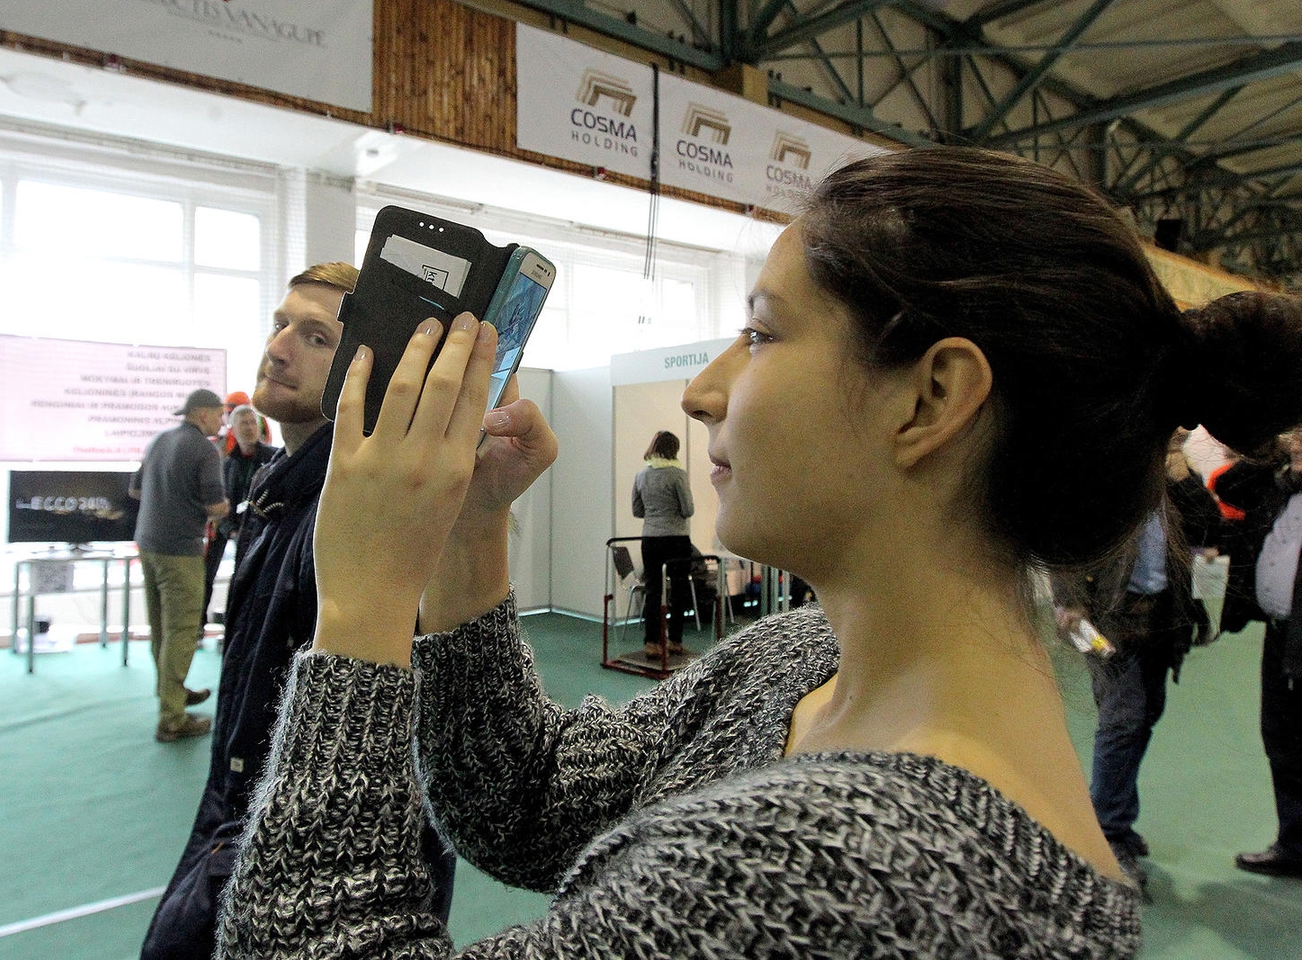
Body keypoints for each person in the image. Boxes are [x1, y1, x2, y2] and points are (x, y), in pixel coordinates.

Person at [217, 149, 1302, 958]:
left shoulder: (848, 872)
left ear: (932, 398)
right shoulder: (803, 660)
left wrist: (359, 612)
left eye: (766, 333)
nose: (705, 390)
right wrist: (468, 533)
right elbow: (528, 801)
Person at [140, 263, 455, 960]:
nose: (278, 347)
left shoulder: (352, 516)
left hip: (299, 877)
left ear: (372, 374)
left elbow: (379, 768)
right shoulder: (282, 499)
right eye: (280, 324)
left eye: (316, 337)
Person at [1054, 428, 1221, 892]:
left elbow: (1210, 529)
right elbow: (1065, 535)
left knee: (1144, 715)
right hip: (1104, 619)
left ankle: (1117, 821)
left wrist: (1184, 476)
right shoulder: (1104, 473)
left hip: (1162, 619)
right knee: (1123, 718)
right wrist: (1068, 600)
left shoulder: (1173, 479)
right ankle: (1106, 836)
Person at [1213, 427, 1302, 877]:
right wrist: (1270, 452)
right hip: (1283, 634)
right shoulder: (1282, 485)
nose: (1299, 443)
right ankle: (1295, 845)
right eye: (1297, 435)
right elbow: (1230, 485)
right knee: (1283, 738)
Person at [130, 388, 228, 742]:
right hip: (180, 551)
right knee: (183, 631)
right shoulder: (205, 449)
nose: (222, 421)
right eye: (219, 414)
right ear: (203, 415)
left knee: (160, 628)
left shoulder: (159, 441)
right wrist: (228, 508)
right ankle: (172, 718)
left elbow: (136, 490)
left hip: (148, 544)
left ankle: (172, 693)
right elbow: (216, 506)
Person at [199, 403, 278, 638]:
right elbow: (219, 500)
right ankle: (201, 625)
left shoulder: (273, 459)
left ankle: (246, 629)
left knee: (246, 577)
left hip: (260, 529)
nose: (249, 428)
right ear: (233, 427)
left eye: (253, 422)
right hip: (228, 527)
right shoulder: (226, 464)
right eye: (243, 423)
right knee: (208, 574)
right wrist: (229, 529)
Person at [630, 429, 695, 659]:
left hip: (650, 539)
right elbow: (688, 510)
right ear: (674, 449)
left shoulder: (641, 475)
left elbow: (637, 511)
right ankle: (675, 641)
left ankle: (651, 643)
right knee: (678, 590)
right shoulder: (678, 474)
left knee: (653, 590)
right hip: (676, 539)